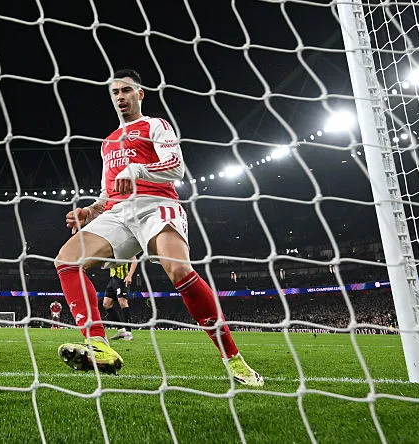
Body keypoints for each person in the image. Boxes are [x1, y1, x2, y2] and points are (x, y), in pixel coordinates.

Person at [54, 69, 263, 385]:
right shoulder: (108, 143)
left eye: (126, 91)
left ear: (140, 94)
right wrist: (91, 211)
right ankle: (98, 345)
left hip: (156, 206)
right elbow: (106, 191)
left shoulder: (156, 125)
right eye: (115, 93)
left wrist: (137, 169)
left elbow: (176, 168)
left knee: (178, 271)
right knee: (66, 261)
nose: (120, 97)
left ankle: (233, 359)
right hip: (119, 213)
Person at [104, 259, 137, 341]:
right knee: (106, 304)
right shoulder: (110, 248)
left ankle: (128, 332)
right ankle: (121, 330)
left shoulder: (126, 247)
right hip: (113, 279)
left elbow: (134, 260)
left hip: (122, 278)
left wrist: (129, 275)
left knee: (123, 302)